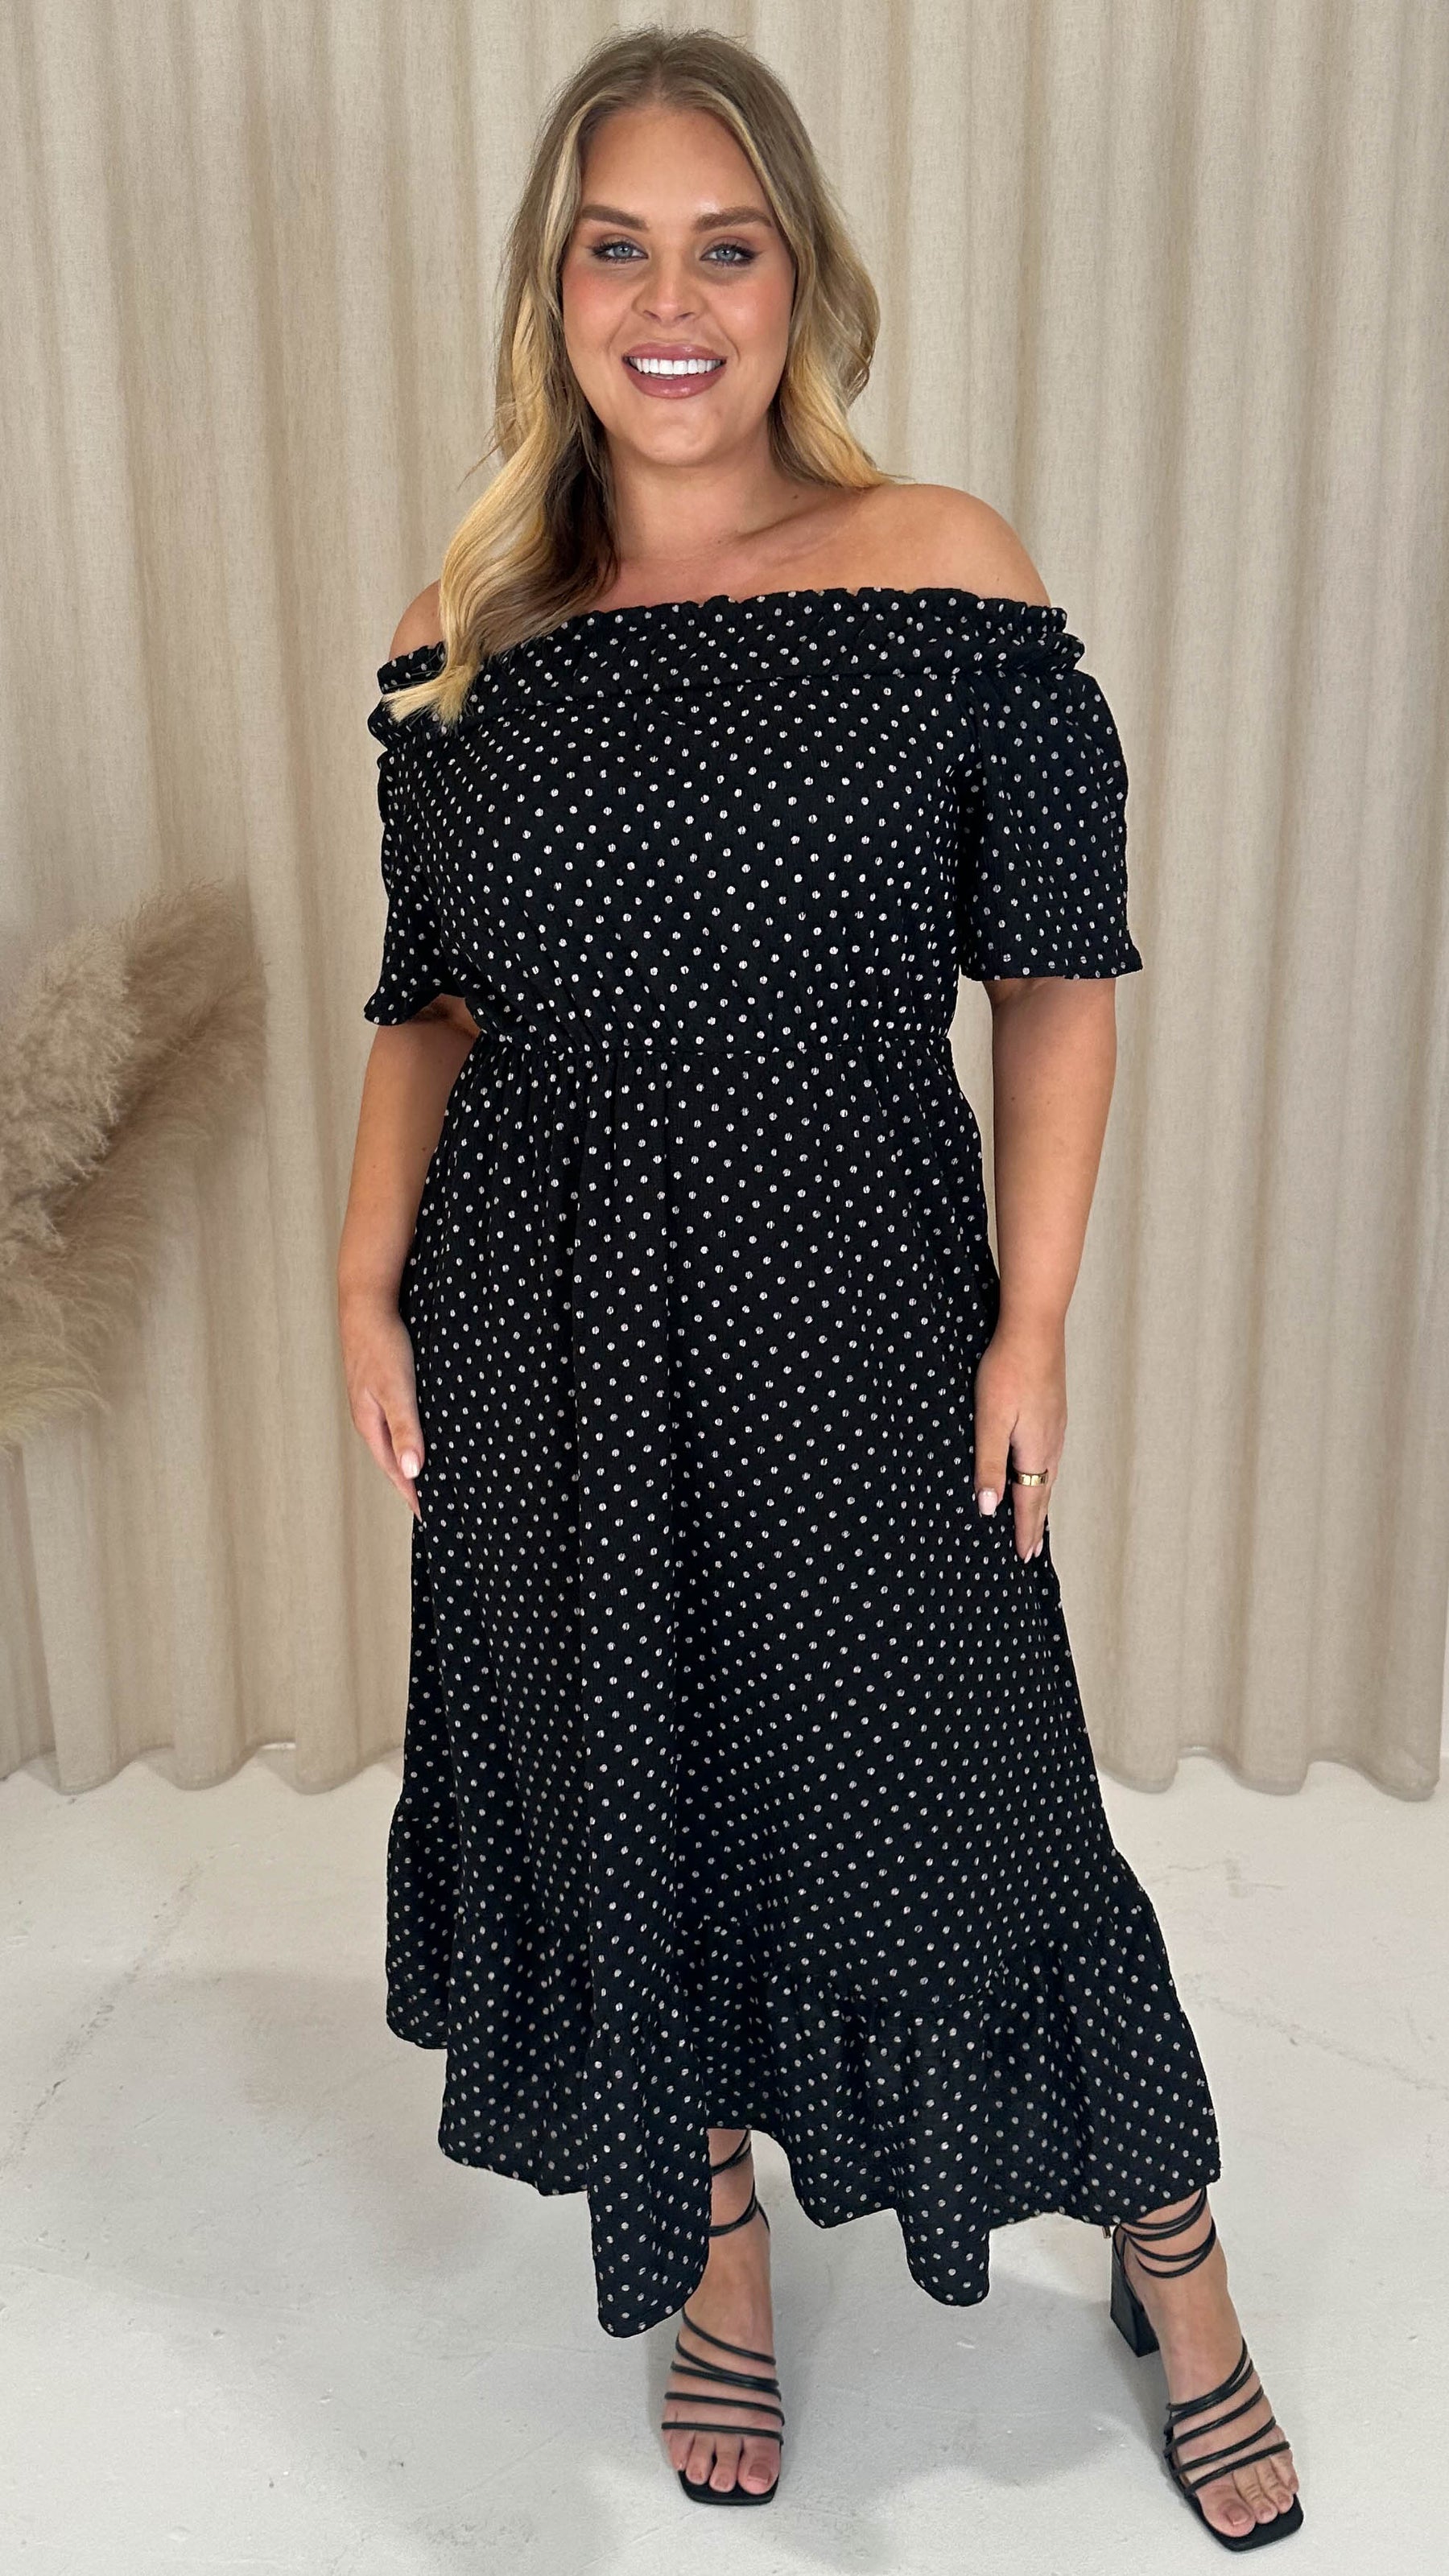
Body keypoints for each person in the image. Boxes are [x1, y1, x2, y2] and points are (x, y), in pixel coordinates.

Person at [336, 25, 1302, 2549]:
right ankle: (723, 2259)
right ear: (553, 290)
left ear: (799, 284)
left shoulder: (942, 572)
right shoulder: (468, 631)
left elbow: (1056, 972)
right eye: (616, 249)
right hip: (540, 1329)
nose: (670, 305)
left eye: (724, 248)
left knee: (982, 1806)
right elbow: (429, 996)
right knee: (628, 1793)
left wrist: (1037, 1314)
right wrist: (359, 1272)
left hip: (862, 1310)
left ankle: (1180, 2268)